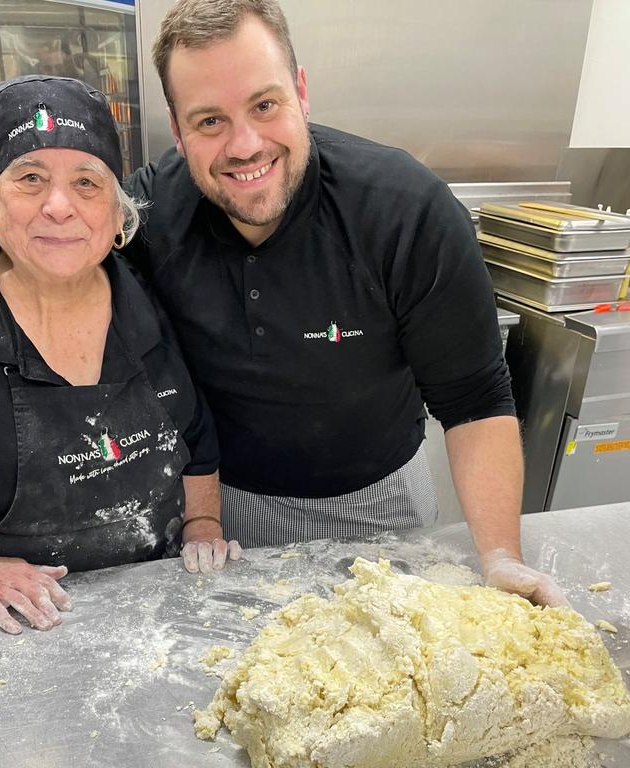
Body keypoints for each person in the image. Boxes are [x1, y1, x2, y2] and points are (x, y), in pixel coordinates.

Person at [123, 0, 566, 606]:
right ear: (178, 131)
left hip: (384, 507)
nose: (245, 145)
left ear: (302, 92)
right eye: (209, 122)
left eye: (265, 104)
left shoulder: (405, 211)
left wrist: (500, 557)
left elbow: (476, 402)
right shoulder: (150, 217)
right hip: (229, 515)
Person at [0, 75, 240, 635]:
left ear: (117, 216)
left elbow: (196, 439)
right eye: (30, 178)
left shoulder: (153, 296)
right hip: (10, 619)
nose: (59, 206)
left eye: (86, 183)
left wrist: (203, 524)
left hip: (160, 605)